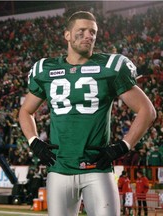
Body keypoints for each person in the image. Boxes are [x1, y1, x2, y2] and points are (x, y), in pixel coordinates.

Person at [18, 11, 156, 216]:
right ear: (67, 35)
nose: (88, 36)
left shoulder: (110, 67)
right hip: (59, 168)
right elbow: (25, 111)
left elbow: (148, 110)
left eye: (92, 32)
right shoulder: (45, 69)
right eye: (81, 31)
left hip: (97, 168)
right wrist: (33, 141)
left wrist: (122, 146)